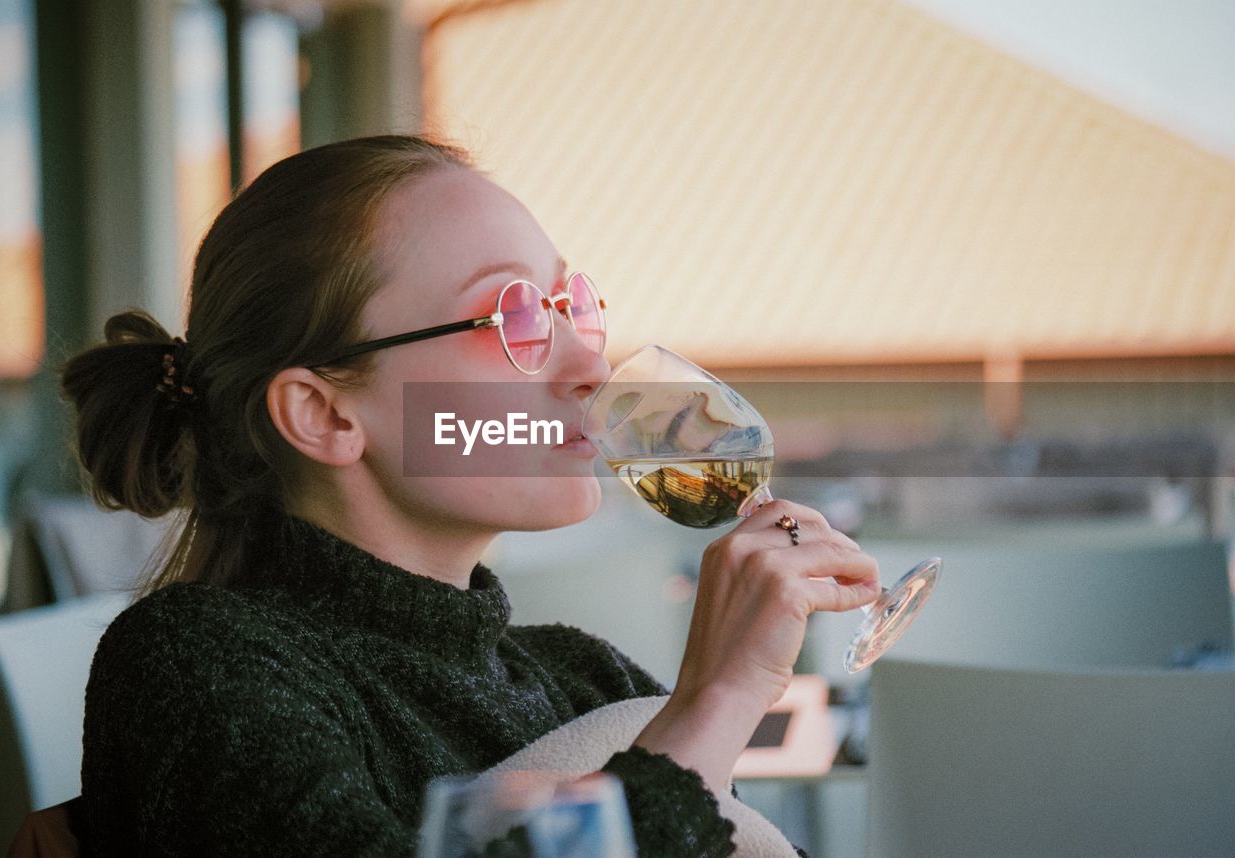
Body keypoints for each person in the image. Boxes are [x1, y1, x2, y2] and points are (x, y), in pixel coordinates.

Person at [63, 135, 880, 856]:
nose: (590, 369)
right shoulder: (197, 666)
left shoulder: (581, 677)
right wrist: (718, 701)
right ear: (324, 414)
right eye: (513, 319)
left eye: (572, 307)